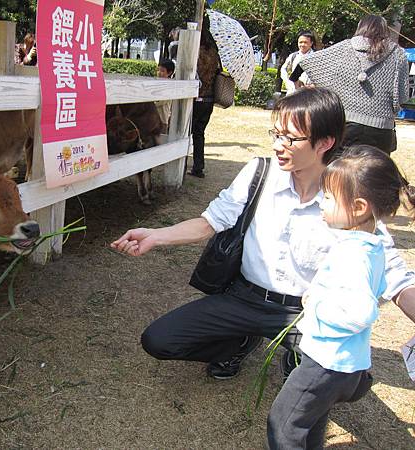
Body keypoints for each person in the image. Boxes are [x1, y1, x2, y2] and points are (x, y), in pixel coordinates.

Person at [111, 87, 415, 384]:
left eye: (290, 138)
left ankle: (297, 357)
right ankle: (239, 344)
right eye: (276, 134)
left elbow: (395, 275)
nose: (278, 145)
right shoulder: (261, 172)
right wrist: (154, 236)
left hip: (305, 313)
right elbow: (209, 222)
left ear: (325, 142)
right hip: (244, 297)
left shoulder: (347, 198)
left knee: (346, 376)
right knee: (159, 340)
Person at [268, 145, 415, 449]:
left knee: (283, 424)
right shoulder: (370, 243)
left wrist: (316, 307)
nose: (322, 203)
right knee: (312, 415)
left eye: (330, 198)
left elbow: (361, 312)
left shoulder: (353, 254)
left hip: (325, 362)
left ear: (359, 207)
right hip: (346, 362)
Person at [290, 15, 409, 154]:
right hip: (381, 132)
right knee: (373, 175)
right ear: (385, 30)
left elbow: (308, 61)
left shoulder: (344, 48)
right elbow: (402, 98)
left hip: (345, 128)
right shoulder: (398, 54)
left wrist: (295, 78)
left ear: (360, 28)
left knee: (338, 173)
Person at [188, 17, 222, 178]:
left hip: (195, 98)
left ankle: (180, 166)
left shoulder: (194, 52)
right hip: (209, 99)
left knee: (185, 132)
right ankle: (198, 167)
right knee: (199, 133)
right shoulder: (214, 53)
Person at [155, 59, 175, 133]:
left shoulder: (169, 86)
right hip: (153, 118)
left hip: (162, 120)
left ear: (169, 73)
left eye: (162, 71)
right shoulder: (157, 83)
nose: (159, 73)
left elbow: (161, 102)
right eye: (158, 70)